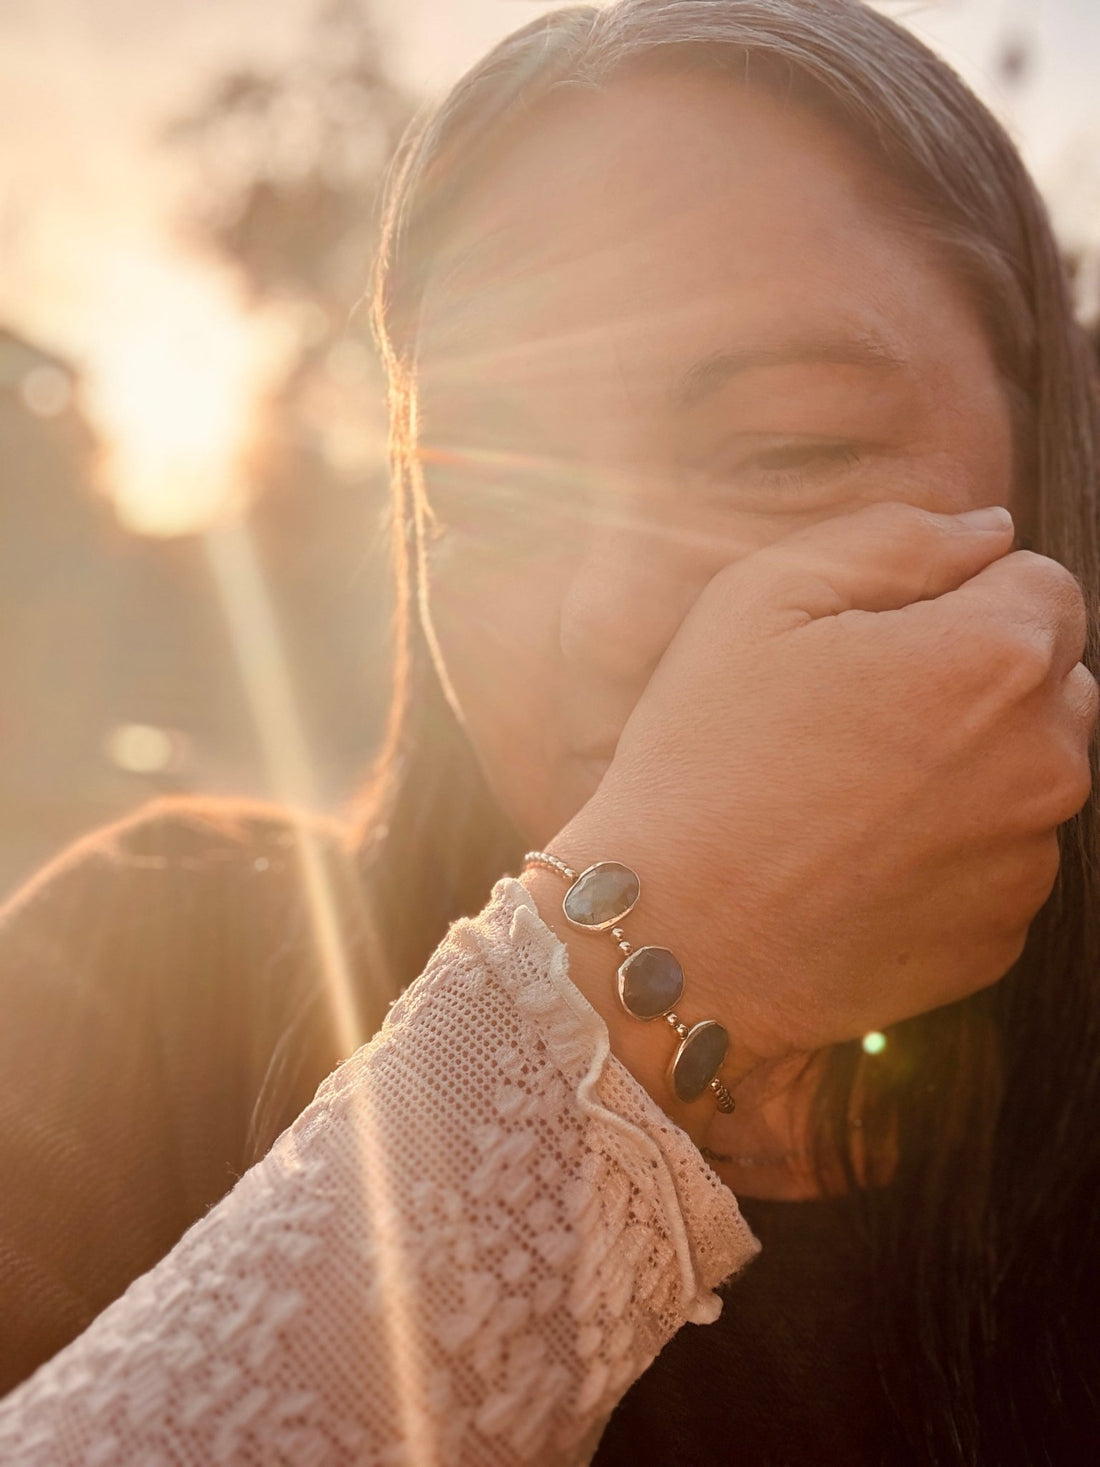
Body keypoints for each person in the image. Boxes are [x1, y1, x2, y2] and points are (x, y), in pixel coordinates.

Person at [0, 0, 1097, 1461]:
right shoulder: (140, 973)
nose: (607, 618)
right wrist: (638, 986)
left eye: (788, 449)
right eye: (497, 498)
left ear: (1048, 455)